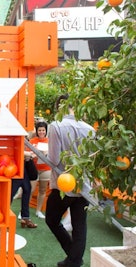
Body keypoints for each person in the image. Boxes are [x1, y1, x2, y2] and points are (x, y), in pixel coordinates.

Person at [46, 94, 95, 267]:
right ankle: (74, 260)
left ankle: (73, 258)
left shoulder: (56, 126)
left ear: (60, 107)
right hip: (84, 184)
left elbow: (53, 158)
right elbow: (92, 158)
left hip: (64, 184)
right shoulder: (90, 128)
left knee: (51, 220)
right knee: (79, 225)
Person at [29, 121, 51, 219]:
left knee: (42, 190)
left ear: (46, 131)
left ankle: (38, 211)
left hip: (46, 168)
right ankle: (25, 211)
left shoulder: (50, 141)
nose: (41, 132)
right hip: (33, 168)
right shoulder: (32, 141)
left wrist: (47, 153)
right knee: (31, 189)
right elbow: (28, 153)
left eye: (43, 130)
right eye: (39, 130)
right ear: (37, 131)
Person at [10, 150, 38, 229]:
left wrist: (28, 156)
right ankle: (5, 217)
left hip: (22, 169)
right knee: (10, 194)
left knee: (27, 190)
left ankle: (25, 218)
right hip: (14, 169)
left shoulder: (24, 141)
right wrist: (28, 154)